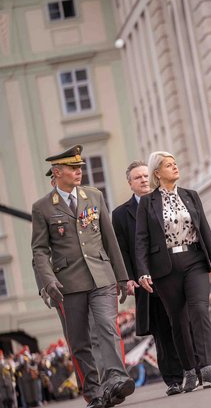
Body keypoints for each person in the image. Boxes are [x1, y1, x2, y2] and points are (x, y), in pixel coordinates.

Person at [31, 145, 134, 408]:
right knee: (80, 341)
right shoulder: (42, 208)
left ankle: (116, 378)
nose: (79, 172)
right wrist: (47, 281)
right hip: (67, 284)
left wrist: (122, 277)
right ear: (57, 172)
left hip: (102, 276)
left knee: (107, 327)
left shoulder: (94, 196)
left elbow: (109, 239)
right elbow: (40, 250)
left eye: (80, 168)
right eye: (73, 168)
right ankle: (94, 392)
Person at [135, 151, 211, 392]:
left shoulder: (191, 195)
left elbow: (205, 232)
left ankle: (206, 368)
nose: (175, 168)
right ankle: (188, 370)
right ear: (157, 173)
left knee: (199, 311)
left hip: (195, 260)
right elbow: (141, 240)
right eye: (168, 165)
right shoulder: (147, 203)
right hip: (165, 268)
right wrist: (143, 272)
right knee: (177, 320)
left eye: (175, 163)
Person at [111, 161, 184, 396]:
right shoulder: (121, 214)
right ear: (130, 183)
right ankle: (173, 379)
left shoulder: (166, 199)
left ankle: (195, 369)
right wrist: (128, 279)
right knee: (161, 331)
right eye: (137, 177)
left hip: (174, 273)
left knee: (184, 324)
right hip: (148, 282)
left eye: (145, 175)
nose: (143, 180)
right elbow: (121, 250)